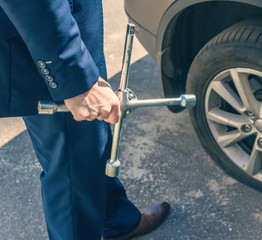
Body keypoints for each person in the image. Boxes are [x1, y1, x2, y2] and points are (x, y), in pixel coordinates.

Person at [0, 0, 169, 239]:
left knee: (91, 144)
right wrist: (74, 79)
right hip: (47, 45)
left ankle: (114, 220)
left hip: (73, 32)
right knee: (72, 168)